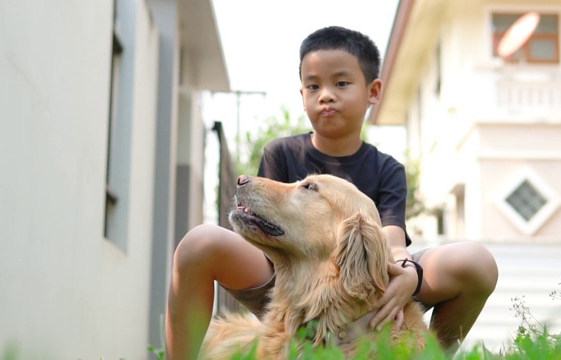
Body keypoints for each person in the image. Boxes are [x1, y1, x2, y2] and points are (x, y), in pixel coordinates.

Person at [165, 25, 498, 359]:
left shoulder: (388, 169)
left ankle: (426, 355)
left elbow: (392, 241)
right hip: (285, 276)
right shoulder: (280, 153)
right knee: (199, 242)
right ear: (303, 95)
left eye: (340, 83)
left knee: (477, 262)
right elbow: (264, 239)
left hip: (369, 283)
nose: (325, 94)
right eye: (313, 85)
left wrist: (408, 277)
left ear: (373, 90)